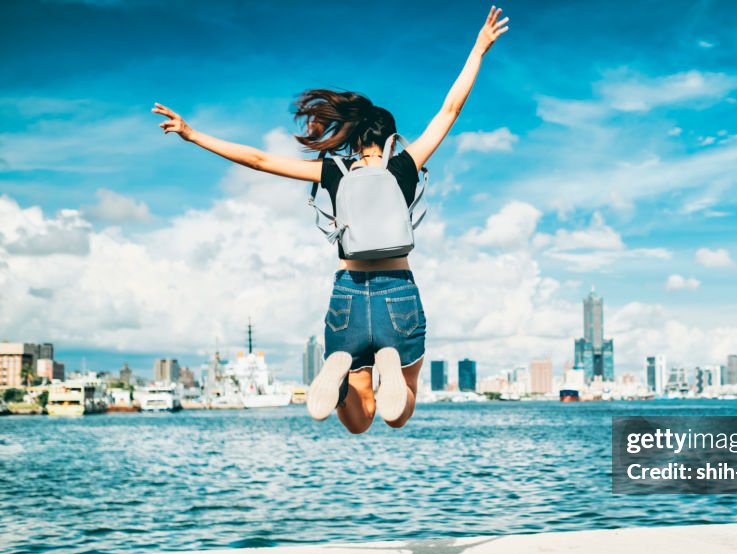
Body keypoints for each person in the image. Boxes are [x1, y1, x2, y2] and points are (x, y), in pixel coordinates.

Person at [152, 7, 509, 433]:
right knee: (400, 412)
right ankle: (393, 366)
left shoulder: (334, 172)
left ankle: (339, 381)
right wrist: (478, 49)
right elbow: (450, 109)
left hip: (349, 296)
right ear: (390, 138)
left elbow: (259, 160)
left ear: (354, 138)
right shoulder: (406, 165)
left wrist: (194, 135)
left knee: (360, 421)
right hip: (398, 290)